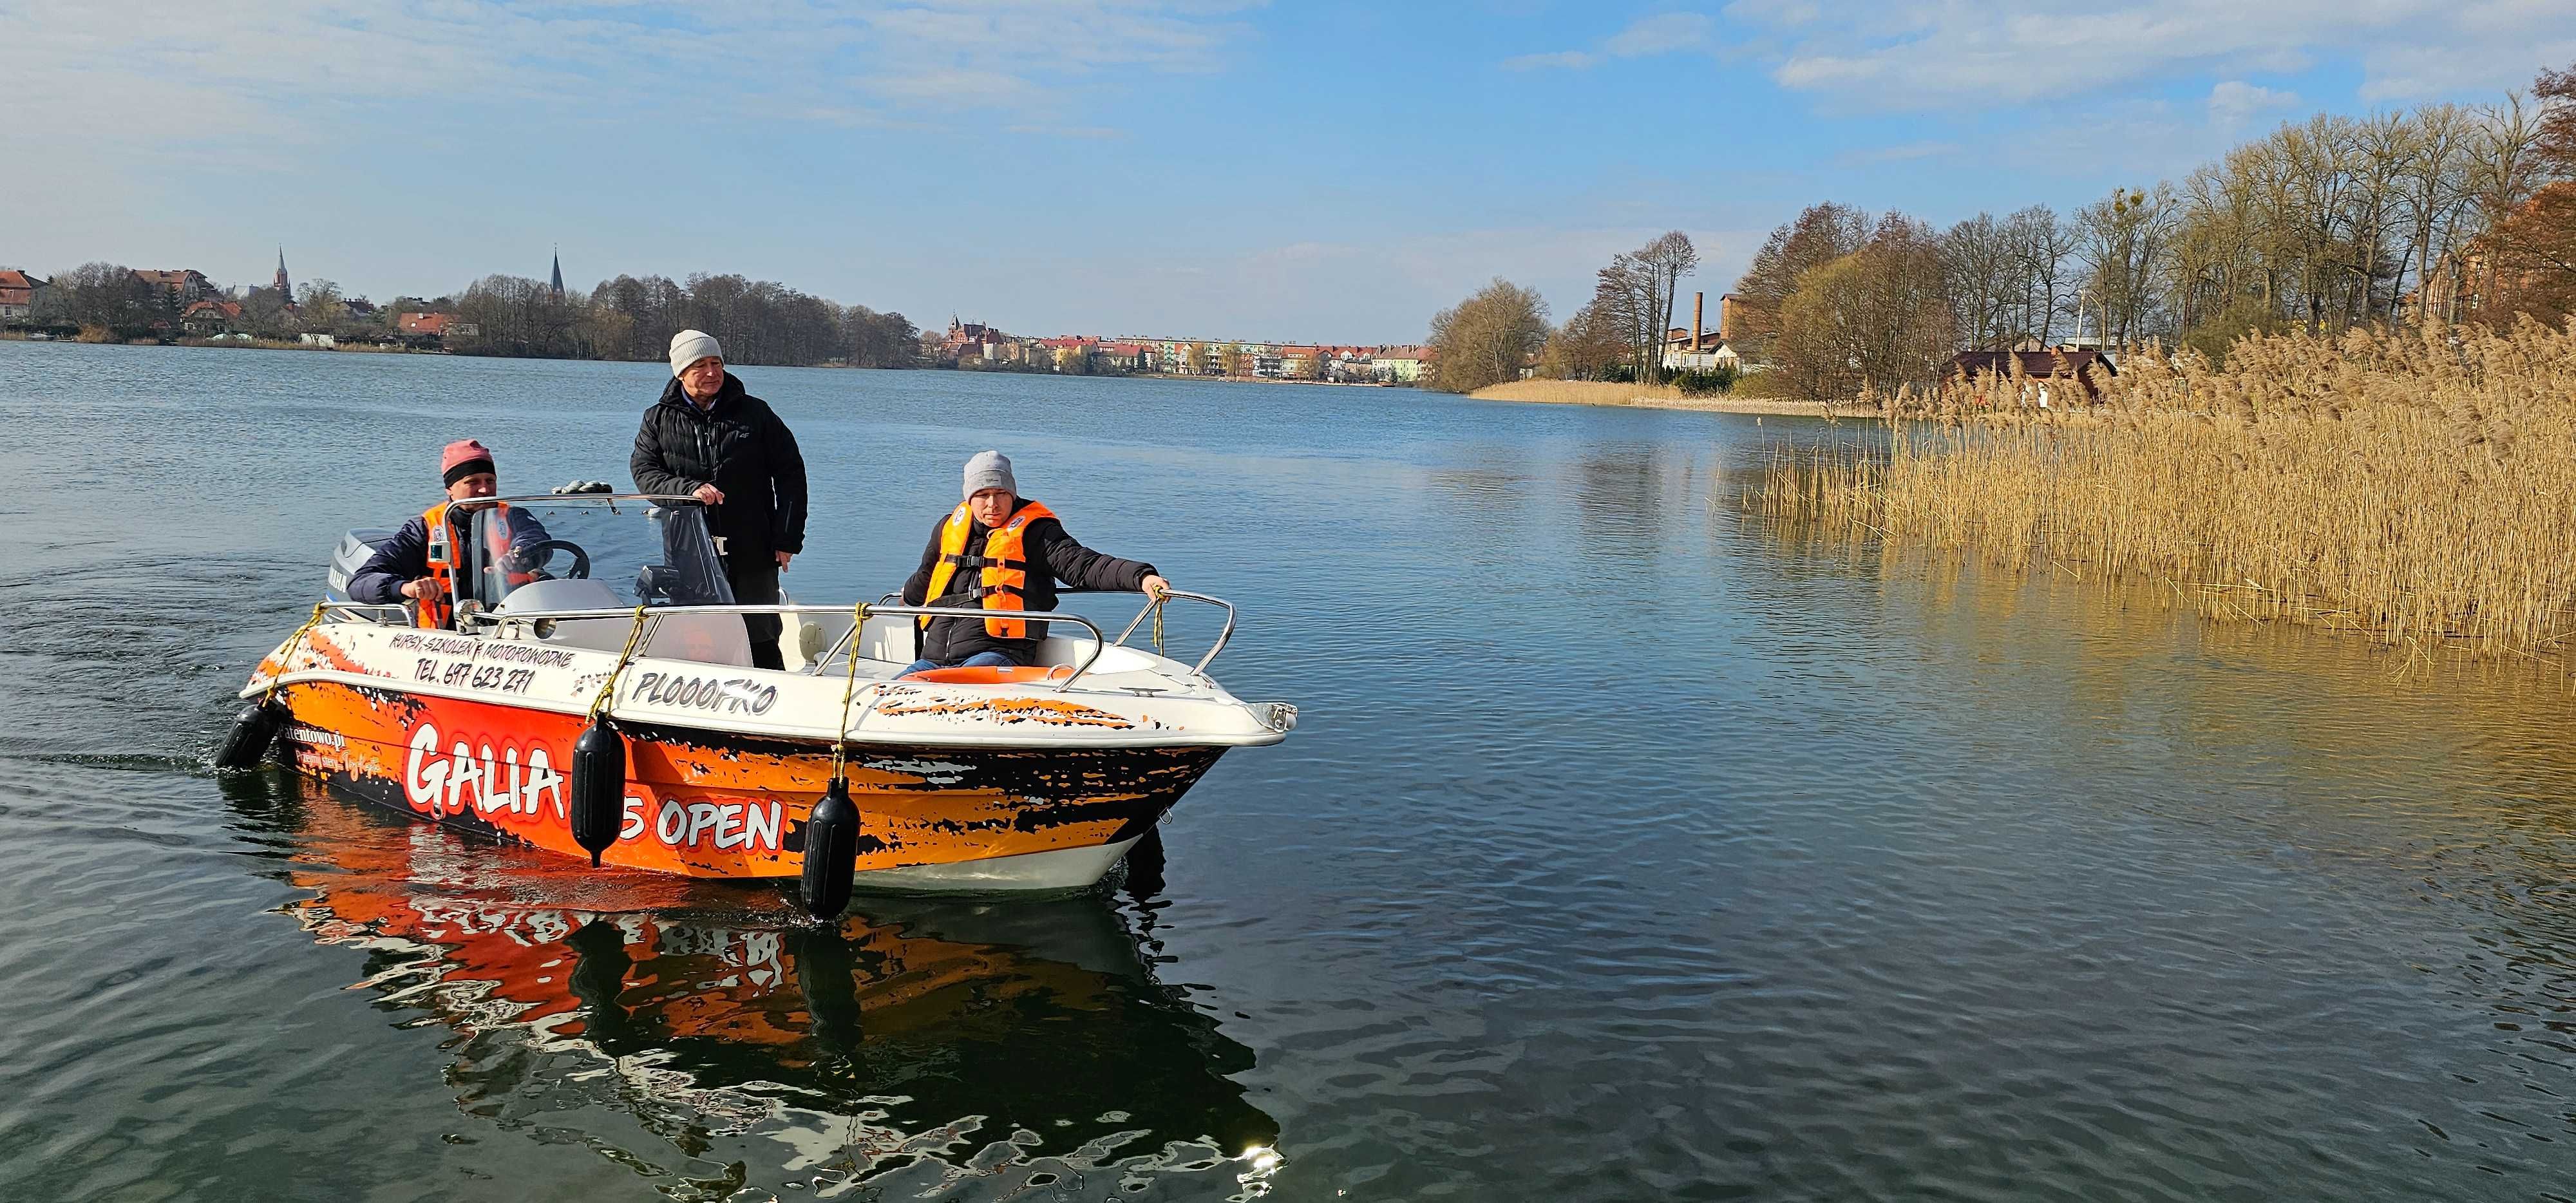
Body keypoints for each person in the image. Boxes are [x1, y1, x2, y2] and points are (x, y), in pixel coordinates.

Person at [898, 450, 1170, 677]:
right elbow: (926, 578)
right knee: (887, 692)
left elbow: (1085, 566)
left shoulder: (1036, 532)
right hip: (933, 659)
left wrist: (1142, 577)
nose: (992, 504)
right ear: (970, 498)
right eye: (983, 495)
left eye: (1000, 493)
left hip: (995, 657)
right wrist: (900, 600)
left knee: (949, 689)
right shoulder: (948, 528)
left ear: (1012, 494)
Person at [630, 329, 808, 670]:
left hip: (753, 546)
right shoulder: (657, 418)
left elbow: (791, 475)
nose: (712, 373)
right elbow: (645, 474)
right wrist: (688, 490)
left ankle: (773, 706)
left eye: (717, 363)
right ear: (680, 373)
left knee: (761, 636)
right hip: (689, 549)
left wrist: (787, 538)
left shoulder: (756, 413)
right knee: (695, 637)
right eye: (700, 366)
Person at [349, 440, 551, 629]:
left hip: (511, 631)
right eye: (473, 482)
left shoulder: (514, 517)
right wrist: (406, 588)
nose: (484, 490)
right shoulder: (424, 529)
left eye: (490, 481)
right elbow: (359, 583)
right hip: (444, 639)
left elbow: (536, 540)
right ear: (450, 489)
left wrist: (519, 555)